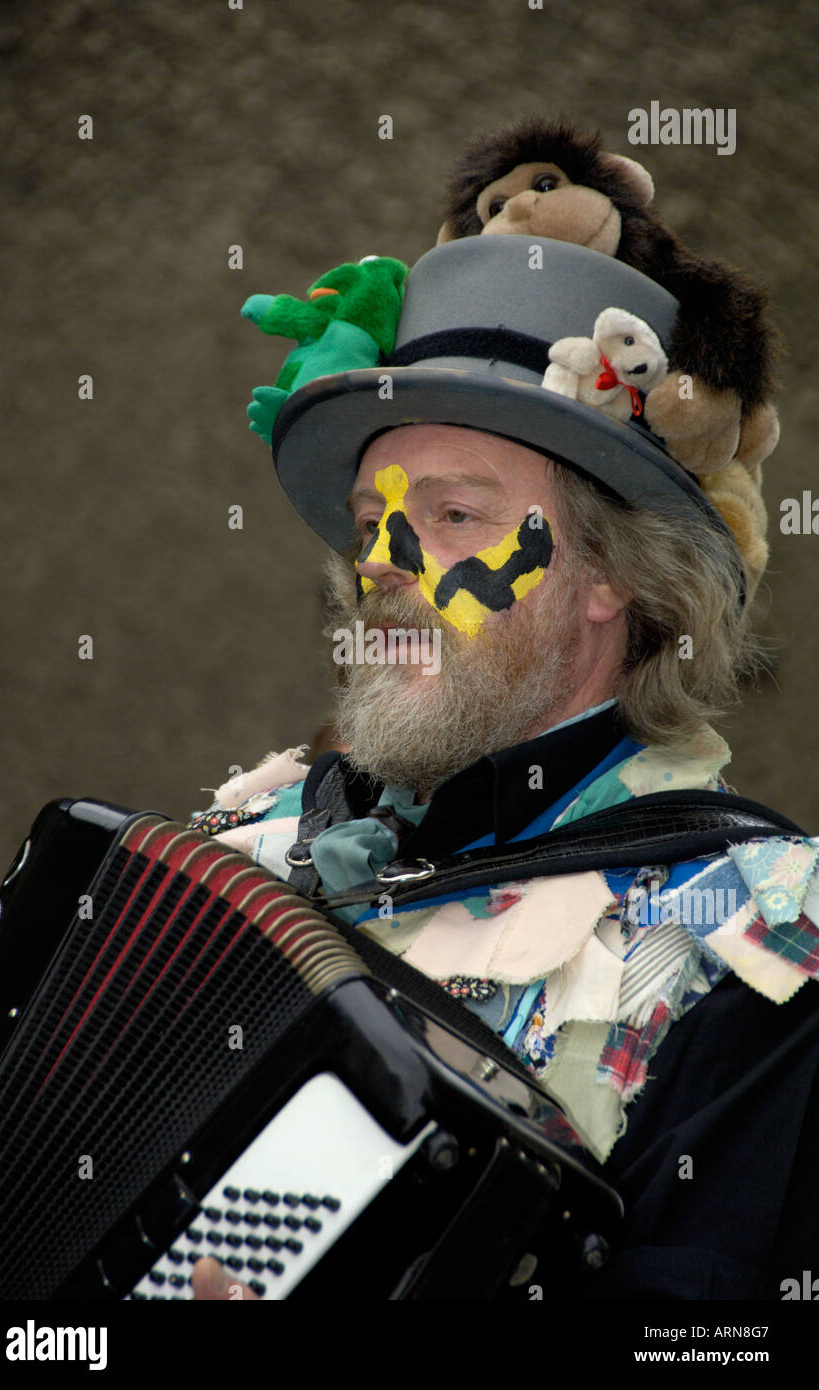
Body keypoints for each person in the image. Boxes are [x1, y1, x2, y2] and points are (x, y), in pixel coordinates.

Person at [191, 234, 819, 1301]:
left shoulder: (749, 931)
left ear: (607, 577)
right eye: (370, 521)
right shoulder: (245, 839)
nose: (381, 563)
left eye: (449, 516)